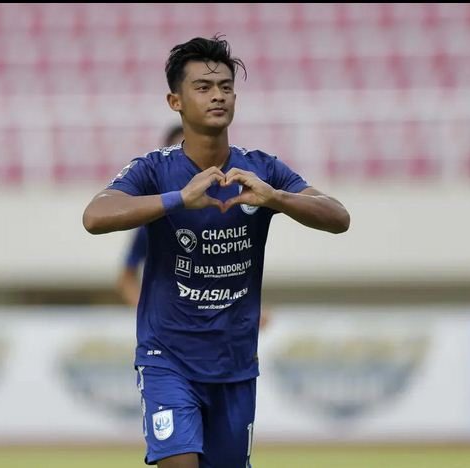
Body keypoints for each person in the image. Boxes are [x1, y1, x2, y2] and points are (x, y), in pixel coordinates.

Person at [83, 34, 350, 468]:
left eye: (226, 87)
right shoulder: (154, 169)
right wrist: (178, 200)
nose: (218, 95)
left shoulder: (262, 169)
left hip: (235, 362)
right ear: (175, 101)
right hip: (167, 358)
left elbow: (338, 217)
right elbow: (95, 216)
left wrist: (276, 198)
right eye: (203, 87)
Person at [117, 124, 184, 307]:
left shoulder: (226, 208)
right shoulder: (153, 220)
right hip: (171, 319)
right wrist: (147, 310)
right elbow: (126, 277)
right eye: (177, 156)